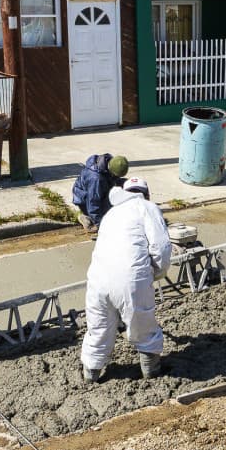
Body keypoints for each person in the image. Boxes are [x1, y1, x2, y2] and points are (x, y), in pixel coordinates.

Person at [81, 176, 171, 383]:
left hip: (98, 279)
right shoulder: (147, 207)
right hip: (131, 279)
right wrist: (157, 272)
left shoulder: (111, 213)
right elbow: (161, 247)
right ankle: (151, 373)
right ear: (145, 194)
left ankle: (91, 375)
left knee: (99, 328)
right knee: (142, 325)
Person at [71, 153, 129, 232]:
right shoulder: (95, 179)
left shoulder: (108, 162)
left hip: (98, 190)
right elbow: (93, 203)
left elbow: (115, 180)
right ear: (111, 170)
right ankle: (86, 217)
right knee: (110, 218)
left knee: (127, 185)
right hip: (85, 200)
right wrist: (102, 226)